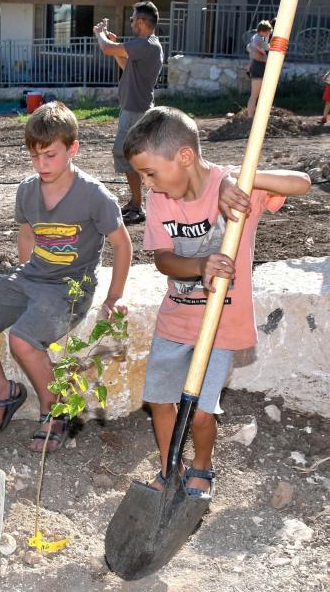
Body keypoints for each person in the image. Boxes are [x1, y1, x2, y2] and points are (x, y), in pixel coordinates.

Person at [125, 106, 310, 497]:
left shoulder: (234, 190)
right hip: (175, 322)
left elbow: (302, 183)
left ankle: (202, 466)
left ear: (185, 157)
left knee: (203, 412)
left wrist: (237, 178)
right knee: (160, 401)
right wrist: (199, 263)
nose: (147, 184)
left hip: (220, 326)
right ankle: (167, 468)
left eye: (150, 173)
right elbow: (162, 259)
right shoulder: (161, 199)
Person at [0, 102, 131, 452]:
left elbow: (122, 244)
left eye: (50, 156)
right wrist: (22, 284)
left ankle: (56, 411)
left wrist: (114, 297)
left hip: (69, 288)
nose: (41, 165)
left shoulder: (94, 195)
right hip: (32, 277)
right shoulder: (27, 190)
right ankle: (3, 393)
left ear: (73, 149)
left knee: (21, 340)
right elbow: (26, 235)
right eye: (35, 157)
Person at [94, 1, 164, 225]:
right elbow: (126, 65)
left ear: (142, 22)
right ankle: (137, 203)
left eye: (133, 19)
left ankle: (138, 205)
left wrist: (101, 34)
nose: (131, 22)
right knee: (133, 158)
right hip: (134, 109)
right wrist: (116, 46)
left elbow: (105, 48)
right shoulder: (147, 46)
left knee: (126, 155)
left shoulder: (145, 45)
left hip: (136, 111)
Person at [245, 21, 272, 120]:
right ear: (263, 31)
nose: (268, 34)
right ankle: (251, 117)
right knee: (255, 94)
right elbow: (265, 51)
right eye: (268, 32)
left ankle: (252, 116)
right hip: (259, 66)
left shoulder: (255, 37)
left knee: (256, 95)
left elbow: (250, 47)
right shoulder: (259, 39)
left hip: (256, 66)